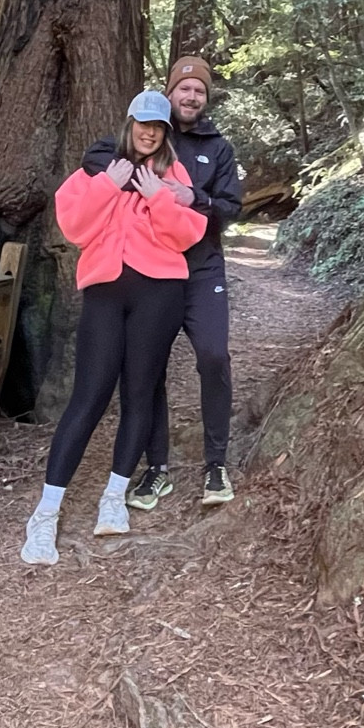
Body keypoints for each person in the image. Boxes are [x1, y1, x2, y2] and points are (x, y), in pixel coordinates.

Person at [20, 91, 207, 566]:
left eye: (158, 126)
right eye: (143, 123)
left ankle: (114, 496)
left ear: (165, 132)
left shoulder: (172, 174)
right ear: (129, 123)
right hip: (105, 293)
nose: (150, 132)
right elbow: (73, 227)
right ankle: (45, 515)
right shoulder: (96, 169)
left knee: (140, 392)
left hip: (160, 294)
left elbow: (188, 234)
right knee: (89, 396)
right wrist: (109, 185)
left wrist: (157, 197)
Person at [128, 56, 243, 508]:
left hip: (202, 269)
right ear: (170, 92)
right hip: (154, 268)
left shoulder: (219, 149)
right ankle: (156, 468)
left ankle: (216, 463)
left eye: (199, 90)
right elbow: (105, 159)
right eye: (184, 89)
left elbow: (232, 208)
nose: (191, 97)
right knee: (148, 366)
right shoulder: (150, 136)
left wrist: (194, 196)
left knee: (213, 356)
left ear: (206, 97)